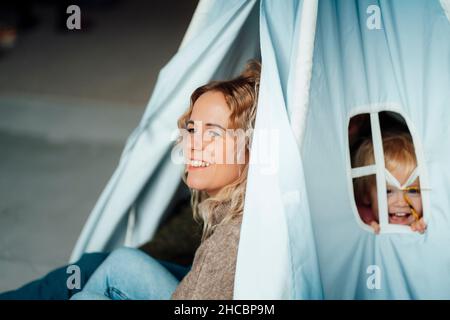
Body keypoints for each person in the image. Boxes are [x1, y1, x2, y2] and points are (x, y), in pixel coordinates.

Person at [70, 60, 261, 300]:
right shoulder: (236, 212)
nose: (192, 144)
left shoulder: (228, 242)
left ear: (252, 147)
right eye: (192, 130)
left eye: (213, 133)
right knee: (121, 263)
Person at [353, 131, 427, 234]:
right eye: (388, 191)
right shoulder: (361, 219)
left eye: (413, 191)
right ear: (366, 194)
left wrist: (423, 225)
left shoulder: (429, 217)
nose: (401, 203)